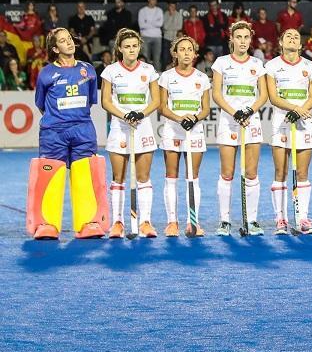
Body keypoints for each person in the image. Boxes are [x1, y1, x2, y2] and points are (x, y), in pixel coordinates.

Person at [29, 28, 107, 240]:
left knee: (84, 174)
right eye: (63, 41)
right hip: (54, 132)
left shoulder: (88, 70)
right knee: (51, 175)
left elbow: (91, 100)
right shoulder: (46, 73)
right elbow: (41, 104)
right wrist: (58, 120)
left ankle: (88, 223)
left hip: (83, 130)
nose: (69, 43)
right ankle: (47, 224)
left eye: (70, 39)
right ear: (55, 49)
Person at [100, 29, 160, 238]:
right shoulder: (110, 71)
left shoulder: (149, 69)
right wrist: (125, 116)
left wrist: (141, 114)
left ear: (139, 47)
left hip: (143, 127)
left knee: (143, 178)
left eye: (135, 46)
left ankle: (145, 222)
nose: (131, 49)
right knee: (119, 178)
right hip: (119, 128)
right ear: (120, 49)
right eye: (127, 46)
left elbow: (156, 100)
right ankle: (117, 222)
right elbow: (105, 101)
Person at [210, 21, 268, 236]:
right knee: (227, 173)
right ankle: (225, 221)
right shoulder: (221, 63)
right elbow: (216, 93)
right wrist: (235, 112)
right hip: (228, 121)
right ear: (231, 39)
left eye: (246, 37)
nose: (242, 41)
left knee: (251, 173)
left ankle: (252, 220)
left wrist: (249, 111)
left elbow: (263, 94)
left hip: (251, 121)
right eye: (239, 37)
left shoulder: (257, 63)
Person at [264, 27, 312, 235]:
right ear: (281, 42)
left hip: (303, 123)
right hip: (282, 122)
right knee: (281, 172)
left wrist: (301, 110)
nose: (293, 38)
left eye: (296, 36)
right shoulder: (272, 66)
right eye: (289, 36)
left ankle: (302, 217)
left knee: (303, 173)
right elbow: (274, 97)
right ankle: (280, 219)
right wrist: (294, 108)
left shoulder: (309, 65)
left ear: (301, 44)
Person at [158, 35, 211, 237]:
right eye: (182, 49)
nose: (186, 53)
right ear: (175, 53)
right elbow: (162, 107)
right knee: (171, 177)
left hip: (195, 132)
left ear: (195, 53)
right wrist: (179, 118)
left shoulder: (202, 78)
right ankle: (172, 222)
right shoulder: (166, 76)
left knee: (192, 178)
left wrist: (195, 117)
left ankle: (192, 222)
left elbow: (206, 109)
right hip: (172, 131)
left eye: (190, 49)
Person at [138, 0, 164, 70]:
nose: (154, 1)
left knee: (157, 59)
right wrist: (154, 23)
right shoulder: (142, 11)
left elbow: (160, 24)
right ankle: (145, 76)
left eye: (155, 0)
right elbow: (141, 25)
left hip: (157, 37)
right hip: (145, 36)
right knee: (145, 59)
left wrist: (148, 22)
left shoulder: (159, 10)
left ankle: (157, 77)